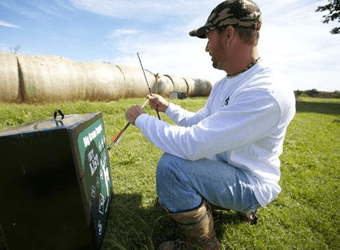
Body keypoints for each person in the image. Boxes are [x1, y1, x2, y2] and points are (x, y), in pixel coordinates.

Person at [125, 0, 296, 249]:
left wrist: (141, 120)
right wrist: (167, 107)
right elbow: (198, 122)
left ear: (228, 34)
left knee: (172, 167)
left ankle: (204, 245)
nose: (206, 47)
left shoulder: (265, 92)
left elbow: (192, 144)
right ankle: (219, 203)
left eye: (208, 37)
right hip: (228, 168)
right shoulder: (227, 83)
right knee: (177, 176)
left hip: (251, 183)